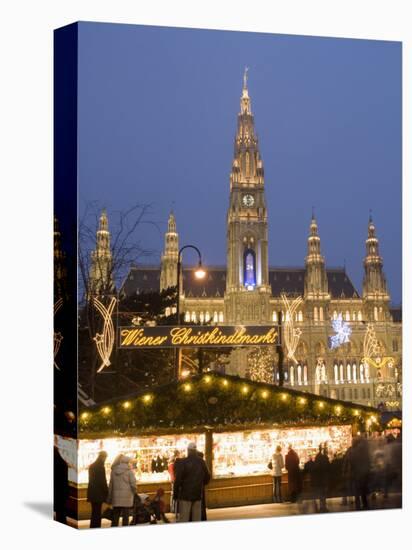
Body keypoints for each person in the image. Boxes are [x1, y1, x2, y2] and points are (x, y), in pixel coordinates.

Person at [173, 442, 211, 522]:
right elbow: (208, 476)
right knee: (196, 519)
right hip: (197, 494)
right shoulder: (201, 462)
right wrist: (201, 484)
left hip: (185, 495)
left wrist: (175, 494)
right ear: (195, 450)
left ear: (188, 450)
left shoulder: (183, 462)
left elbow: (178, 479)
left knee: (184, 519)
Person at [107, 454, 137, 527]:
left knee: (115, 516)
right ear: (127, 462)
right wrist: (135, 492)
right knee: (125, 517)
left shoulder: (113, 471)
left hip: (116, 497)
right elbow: (133, 484)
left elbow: (111, 484)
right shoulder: (129, 472)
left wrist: (109, 496)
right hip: (127, 498)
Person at [87, 451, 108, 528]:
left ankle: (92, 526)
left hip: (92, 493)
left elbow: (91, 480)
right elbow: (103, 481)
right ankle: (96, 527)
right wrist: (106, 492)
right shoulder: (100, 467)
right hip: (99, 494)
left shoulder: (92, 466)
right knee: (98, 512)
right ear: (103, 457)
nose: (105, 459)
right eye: (105, 457)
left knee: (94, 512)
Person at [349, 436, 370, 511]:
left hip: (357, 472)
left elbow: (352, 461)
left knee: (357, 489)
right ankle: (365, 503)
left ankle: (358, 504)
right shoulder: (364, 450)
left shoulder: (353, 451)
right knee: (363, 489)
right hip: (363, 472)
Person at [54, 444, 69, 524]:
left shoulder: (55, 463)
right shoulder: (63, 463)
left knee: (59, 513)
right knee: (62, 513)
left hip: (58, 492)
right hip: (63, 492)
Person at [313, 444, 330, 512]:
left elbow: (315, 467)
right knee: (323, 493)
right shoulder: (324, 457)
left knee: (320, 493)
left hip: (319, 478)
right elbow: (328, 466)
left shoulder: (317, 457)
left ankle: (321, 506)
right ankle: (323, 506)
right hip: (323, 477)